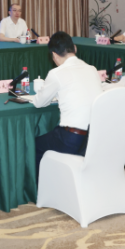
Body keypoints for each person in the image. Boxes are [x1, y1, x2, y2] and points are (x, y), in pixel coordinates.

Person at [31, 32, 103, 174]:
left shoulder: (56, 73)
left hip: (72, 138)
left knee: (33, 145)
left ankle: (44, 186)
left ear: (54, 55)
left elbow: (38, 103)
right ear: (75, 48)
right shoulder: (92, 69)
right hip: (94, 137)